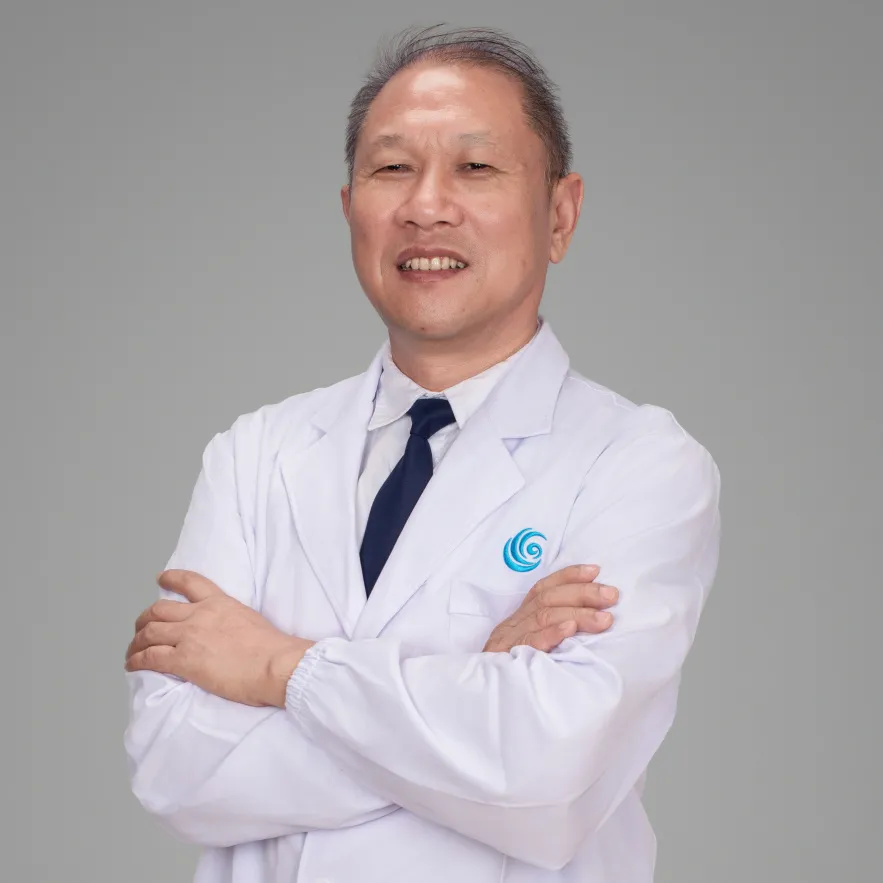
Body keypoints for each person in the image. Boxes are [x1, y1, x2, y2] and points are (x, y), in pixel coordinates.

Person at [124, 24, 721, 883]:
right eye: (393, 168)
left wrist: (278, 668)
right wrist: (473, 684)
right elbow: (174, 769)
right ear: (349, 207)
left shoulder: (640, 463)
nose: (426, 205)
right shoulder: (254, 454)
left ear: (559, 214)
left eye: (474, 167)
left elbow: (549, 777)